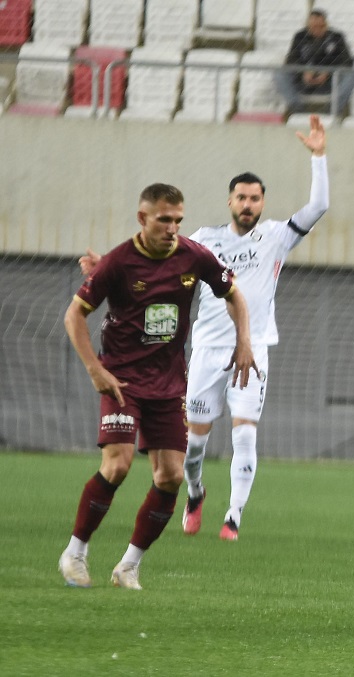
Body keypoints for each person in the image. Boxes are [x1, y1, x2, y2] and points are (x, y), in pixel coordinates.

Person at [80, 116, 329, 541]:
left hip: (254, 351)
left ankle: (233, 516)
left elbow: (318, 207)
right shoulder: (203, 240)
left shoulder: (276, 237)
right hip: (205, 352)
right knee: (193, 447)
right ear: (229, 201)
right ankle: (195, 494)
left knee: (245, 434)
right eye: (240, 198)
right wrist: (104, 267)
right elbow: (152, 252)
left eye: (254, 198)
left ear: (263, 203)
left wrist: (319, 156)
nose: (247, 204)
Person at [59, 183, 256, 590]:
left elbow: (234, 294)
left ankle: (129, 565)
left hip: (169, 384)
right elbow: (74, 316)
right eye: (164, 219)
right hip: (122, 381)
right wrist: (96, 369)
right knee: (117, 464)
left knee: (170, 476)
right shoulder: (118, 262)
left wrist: (244, 342)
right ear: (143, 218)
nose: (172, 227)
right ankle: (75, 552)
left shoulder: (193, 255)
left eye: (178, 220)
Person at [275, 8, 354, 117]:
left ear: (326, 25)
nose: (317, 30)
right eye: (313, 27)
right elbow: (291, 60)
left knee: (353, 75)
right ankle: (297, 109)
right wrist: (303, 71)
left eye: (321, 27)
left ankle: (332, 110)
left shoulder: (336, 37)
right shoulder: (300, 37)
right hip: (304, 81)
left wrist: (328, 72)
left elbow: (347, 61)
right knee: (279, 74)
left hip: (330, 81)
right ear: (308, 26)